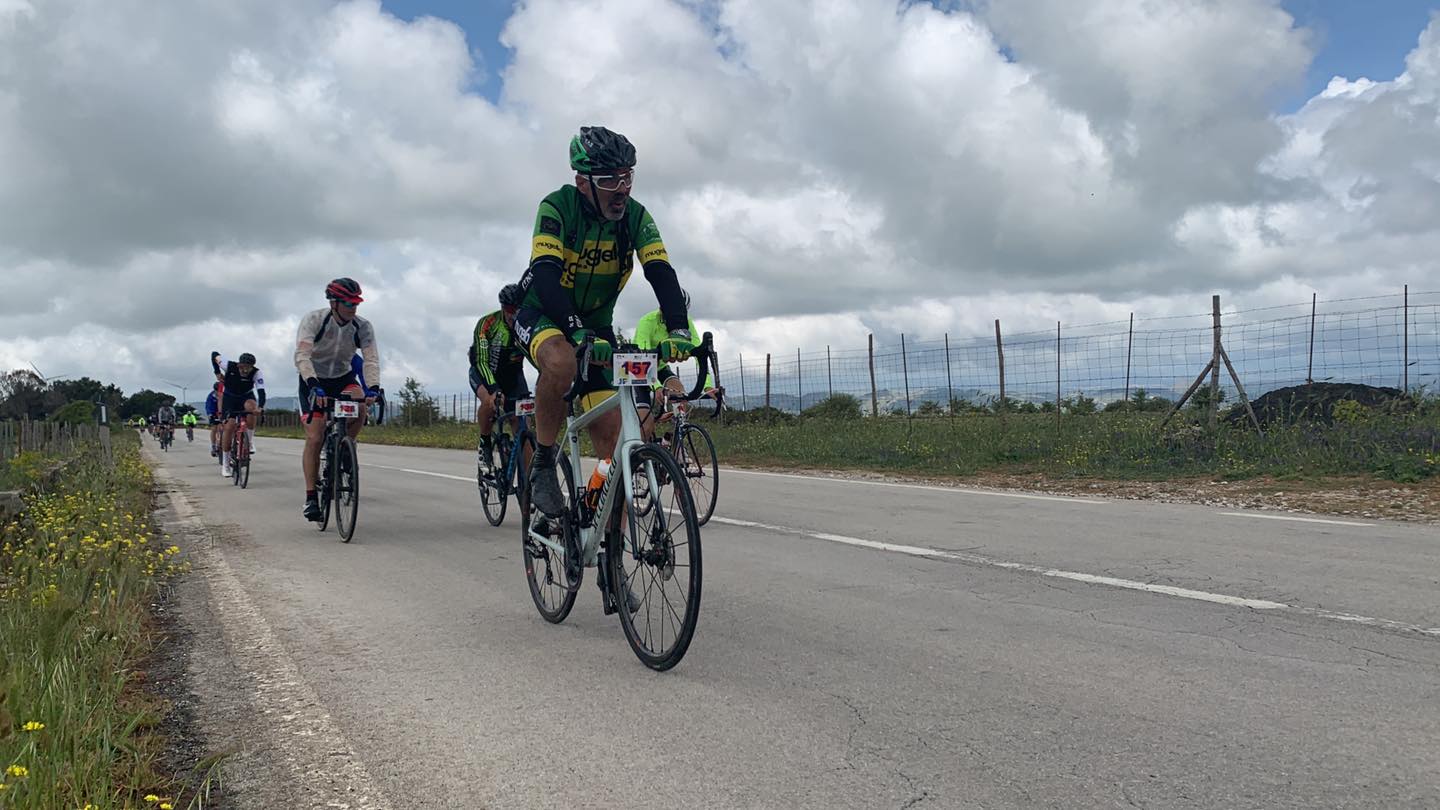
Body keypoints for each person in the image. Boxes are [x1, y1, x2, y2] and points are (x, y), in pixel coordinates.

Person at [515, 126, 695, 519]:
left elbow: (660, 271)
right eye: (610, 180)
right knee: (561, 362)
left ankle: (606, 536)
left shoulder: (636, 216)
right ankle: (543, 461)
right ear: (583, 183)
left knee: (615, 451)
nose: (622, 189)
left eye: (627, 177)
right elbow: (545, 274)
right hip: (543, 313)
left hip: (595, 327)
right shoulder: (557, 207)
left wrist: (679, 328)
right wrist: (574, 328)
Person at [294, 278, 379, 522]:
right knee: (315, 437)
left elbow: (371, 359)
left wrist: (374, 388)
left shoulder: (363, 326)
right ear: (333, 303)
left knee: (360, 405)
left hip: (343, 377)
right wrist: (313, 385)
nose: (353, 308)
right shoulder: (314, 320)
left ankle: (346, 447)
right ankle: (311, 497)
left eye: (356, 303)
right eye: (348, 303)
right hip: (314, 379)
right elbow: (302, 356)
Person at [632, 289, 719, 438]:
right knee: (646, 426)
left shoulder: (686, 323)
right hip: (639, 369)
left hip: (660, 368)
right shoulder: (647, 322)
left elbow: (699, 354)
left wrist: (708, 386)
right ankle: (644, 447)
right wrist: (656, 386)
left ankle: (673, 441)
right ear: (661, 308)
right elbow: (643, 358)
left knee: (680, 396)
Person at [470, 283, 533, 472]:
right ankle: (485, 444)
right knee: (490, 402)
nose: (513, 315)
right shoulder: (487, 323)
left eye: (517, 310)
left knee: (523, 427)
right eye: (509, 310)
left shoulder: (528, 325)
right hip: (484, 373)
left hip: (513, 376)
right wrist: (494, 389)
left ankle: (529, 483)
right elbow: (481, 361)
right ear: (503, 308)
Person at [211, 352, 267, 477]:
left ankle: (249, 441)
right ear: (238, 364)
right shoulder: (228, 365)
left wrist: (261, 407)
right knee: (229, 427)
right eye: (243, 367)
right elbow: (214, 354)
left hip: (246, 396)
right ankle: (226, 465)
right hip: (230, 398)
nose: (245, 370)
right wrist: (217, 372)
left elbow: (261, 392)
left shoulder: (257, 373)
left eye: (248, 368)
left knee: (252, 409)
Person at [204, 382, 222, 457]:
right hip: (214, 413)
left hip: (222, 413)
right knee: (214, 429)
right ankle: (213, 445)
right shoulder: (211, 396)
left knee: (222, 429)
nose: (218, 392)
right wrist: (210, 414)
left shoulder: (224, 395)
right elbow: (208, 406)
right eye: (217, 390)